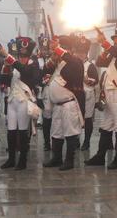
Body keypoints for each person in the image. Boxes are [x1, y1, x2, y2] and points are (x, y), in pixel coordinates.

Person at [86, 24, 117, 170]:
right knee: (106, 124)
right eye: (115, 39)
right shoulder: (114, 53)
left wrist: (104, 43)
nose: (116, 41)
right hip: (108, 93)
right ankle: (100, 156)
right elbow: (100, 62)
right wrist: (104, 48)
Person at [43, 35, 84, 171]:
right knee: (56, 132)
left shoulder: (75, 62)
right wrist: (53, 58)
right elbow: (42, 72)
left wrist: (59, 50)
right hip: (57, 105)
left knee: (70, 133)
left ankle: (69, 160)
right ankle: (57, 158)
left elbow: (73, 64)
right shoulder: (58, 63)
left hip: (69, 104)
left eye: (60, 48)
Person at [0, 37, 41, 170]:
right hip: (12, 101)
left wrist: (9, 58)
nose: (22, 58)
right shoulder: (15, 66)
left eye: (24, 56)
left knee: (23, 131)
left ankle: (22, 160)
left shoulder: (33, 65)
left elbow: (28, 74)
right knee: (11, 131)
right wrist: (6, 66)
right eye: (20, 56)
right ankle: (11, 159)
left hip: (24, 100)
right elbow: (3, 81)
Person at [73, 35, 98, 151]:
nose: (80, 55)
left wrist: (89, 80)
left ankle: (86, 141)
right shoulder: (72, 64)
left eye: (83, 52)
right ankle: (76, 140)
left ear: (86, 53)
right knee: (76, 119)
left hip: (88, 96)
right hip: (75, 95)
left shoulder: (90, 66)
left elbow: (95, 80)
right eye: (79, 52)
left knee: (87, 119)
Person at [38, 35, 53, 151]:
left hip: (56, 90)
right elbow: (36, 78)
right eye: (43, 49)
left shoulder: (56, 59)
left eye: (46, 49)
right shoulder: (36, 60)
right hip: (44, 92)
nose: (45, 51)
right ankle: (47, 143)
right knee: (46, 119)